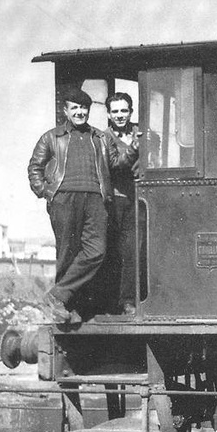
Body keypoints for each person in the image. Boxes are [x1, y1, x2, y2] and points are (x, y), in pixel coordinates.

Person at [28, 87, 138, 322]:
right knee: (68, 252)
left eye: (84, 108)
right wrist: (47, 193)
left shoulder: (100, 137)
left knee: (96, 251)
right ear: (66, 111)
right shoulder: (51, 137)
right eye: (74, 108)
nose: (80, 112)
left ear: (89, 111)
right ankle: (66, 306)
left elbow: (116, 164)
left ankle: (57, 295)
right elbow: (34, 168)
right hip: (64, 199)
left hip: (96, 199)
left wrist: (133, 150)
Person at [101, 93, 141, 315]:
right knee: (114, 252)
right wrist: (135, 149)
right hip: (116, 200)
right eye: (115, 111)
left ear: (131, 112)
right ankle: (112, 302)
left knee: (133, 250)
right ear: (108, 114)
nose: (119, 115)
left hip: (138, 197)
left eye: (123, 111)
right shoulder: (104, 138)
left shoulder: (140, 132)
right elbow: (115, 165)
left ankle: (128, 301)